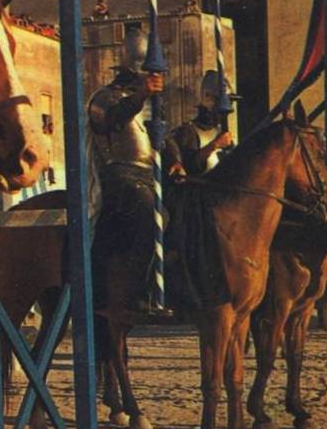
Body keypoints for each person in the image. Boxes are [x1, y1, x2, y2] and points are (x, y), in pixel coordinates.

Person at [87, 28, 180, 317]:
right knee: (151, 213)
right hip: (119, 175)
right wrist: (142, 94)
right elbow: (112, 121)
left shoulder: (151, 103)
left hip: (149, 174)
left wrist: (176, 159)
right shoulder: (104, 97)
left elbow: (164, 137)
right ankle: (139, 291)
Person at [168, 70, 233, 176]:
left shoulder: (220, 130)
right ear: (207, 97)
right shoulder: (189, 131)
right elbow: (189, 167)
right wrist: (214, 145)